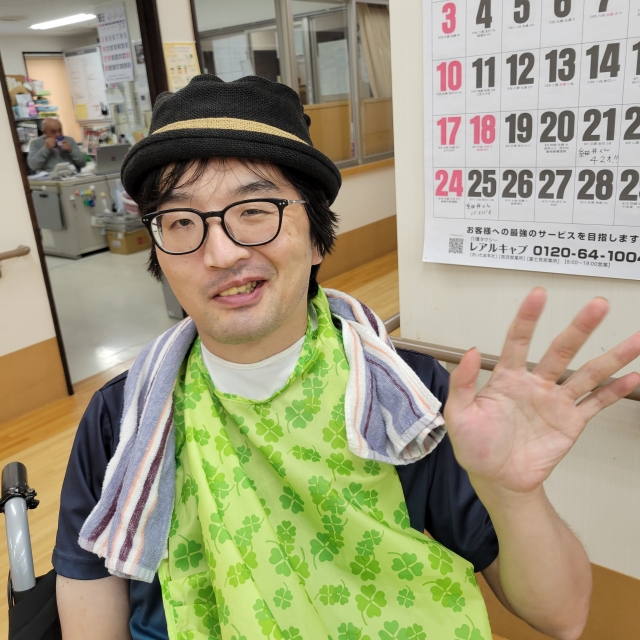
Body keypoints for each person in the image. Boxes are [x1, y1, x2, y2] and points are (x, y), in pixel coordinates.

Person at [53, 76, 640, 640]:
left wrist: (513, 494)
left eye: (254, 210)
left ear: (315, 237)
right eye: (181, 221)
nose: (222, 253)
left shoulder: (403, 397)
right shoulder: (123, 421)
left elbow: (563, 617)